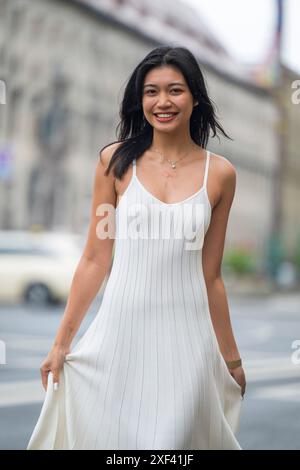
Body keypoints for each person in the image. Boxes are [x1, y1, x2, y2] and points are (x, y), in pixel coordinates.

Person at [27, 45, 246, 450]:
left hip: (189, 345)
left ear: (195, 97)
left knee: (173, 447)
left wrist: (230, 359)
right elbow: (95, 258)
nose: (163, 102)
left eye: (175, 90)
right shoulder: (115, 162)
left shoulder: (220, 175)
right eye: (151, 91)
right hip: (118, 338)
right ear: (139, 100)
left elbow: (211, 276)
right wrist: (61, 345)